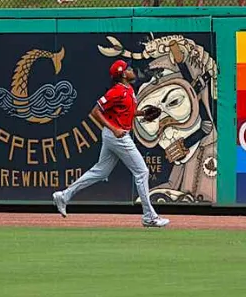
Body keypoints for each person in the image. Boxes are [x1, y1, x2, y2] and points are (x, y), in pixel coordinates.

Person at [52, 59, 170, 228]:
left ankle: (64, 195)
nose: (131, 70)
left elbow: (124, 111)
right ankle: (149, 216)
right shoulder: (116, 91)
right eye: (128, 69)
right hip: (117, 136)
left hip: (115, 134)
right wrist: (114, 129)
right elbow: (96, 111)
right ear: (122, 74)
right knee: (142, 172)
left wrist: (141, 113)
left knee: (100, 172)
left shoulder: (128, 89)